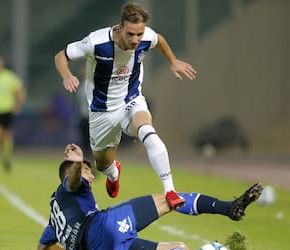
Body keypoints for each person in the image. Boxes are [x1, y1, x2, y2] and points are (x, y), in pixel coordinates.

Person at [54, 2, 197, 208]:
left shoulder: (146, 36)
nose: (136, 40)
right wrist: (67, 76)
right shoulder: (96, 42)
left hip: (131, 100)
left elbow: (159, 41)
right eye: (131, 34)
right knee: (102, 165)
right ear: (120, 27)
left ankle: (170, 191)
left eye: (139, 34)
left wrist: (173, 61)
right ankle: (114, 173)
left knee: (148, 131)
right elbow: (61, 56)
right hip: (101, 111)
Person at [37, 143, 263, 250]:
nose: (91, 176)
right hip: (103, 226)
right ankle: (228, 208)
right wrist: (77, 163)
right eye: (88, 170)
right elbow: (73, 180)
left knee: (178, 247)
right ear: (71, 172)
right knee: (170, 198)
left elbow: (43, 248)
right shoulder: (69, 186)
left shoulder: (55, 215)